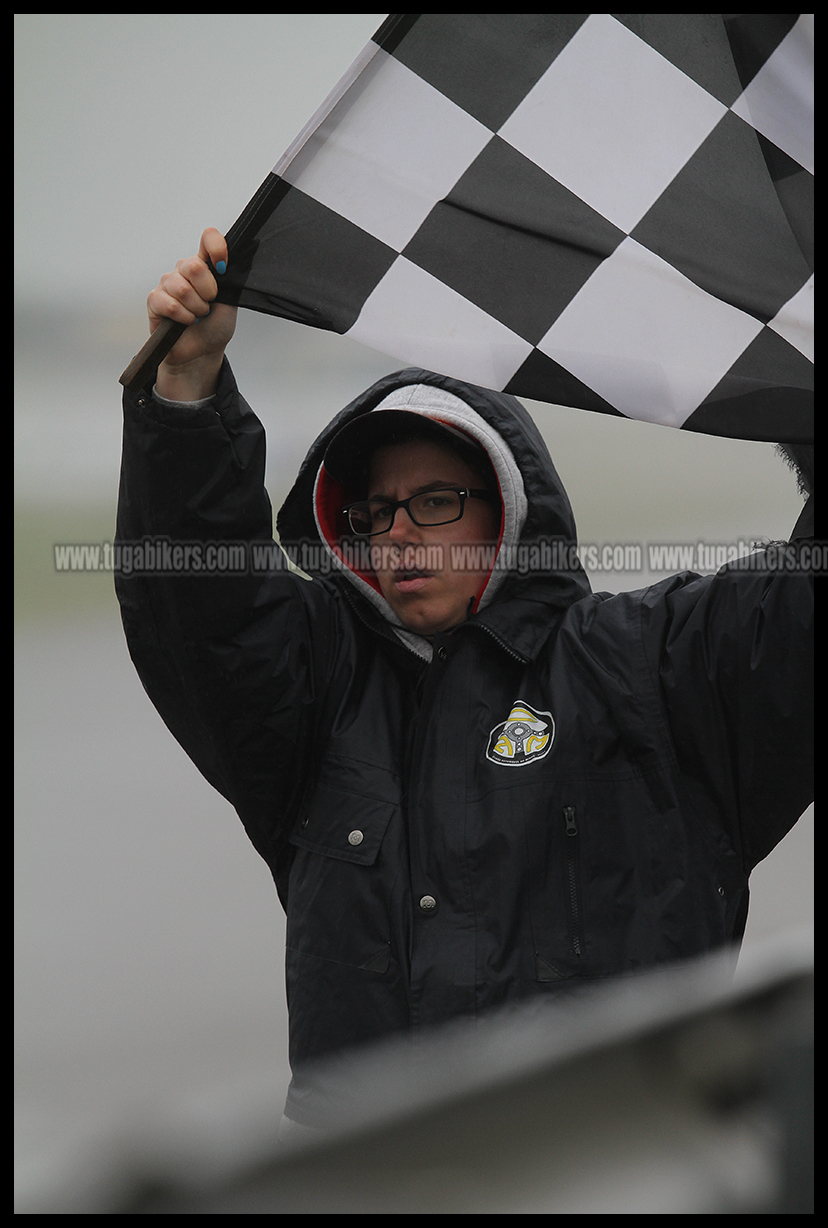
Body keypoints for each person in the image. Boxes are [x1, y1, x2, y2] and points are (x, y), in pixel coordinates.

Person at [116, 228, 814, 1134]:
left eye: (435, 501)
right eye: (373, 514)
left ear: (509, 509)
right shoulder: (315, 703)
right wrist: (186, 391)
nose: (398, 533)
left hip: (622, 1178)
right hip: (369, 1191)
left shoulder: (654, 669)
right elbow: (201, 618)